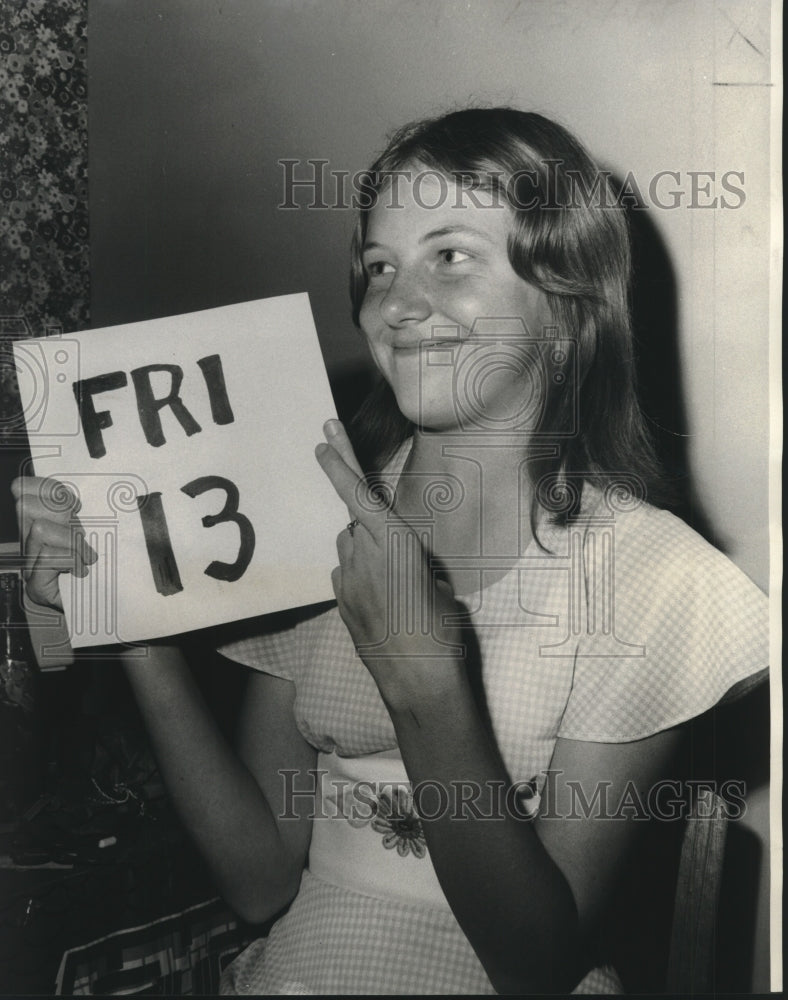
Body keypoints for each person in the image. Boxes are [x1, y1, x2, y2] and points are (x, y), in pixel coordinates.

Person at [13, 108, 768, 995]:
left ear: (566, 304)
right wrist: (133, 620)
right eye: (379, 266)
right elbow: (258, 879)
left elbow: (534, 965)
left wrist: (428, 685)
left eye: (450, 256)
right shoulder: (307, 511)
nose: (396, 304)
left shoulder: (652, 576)